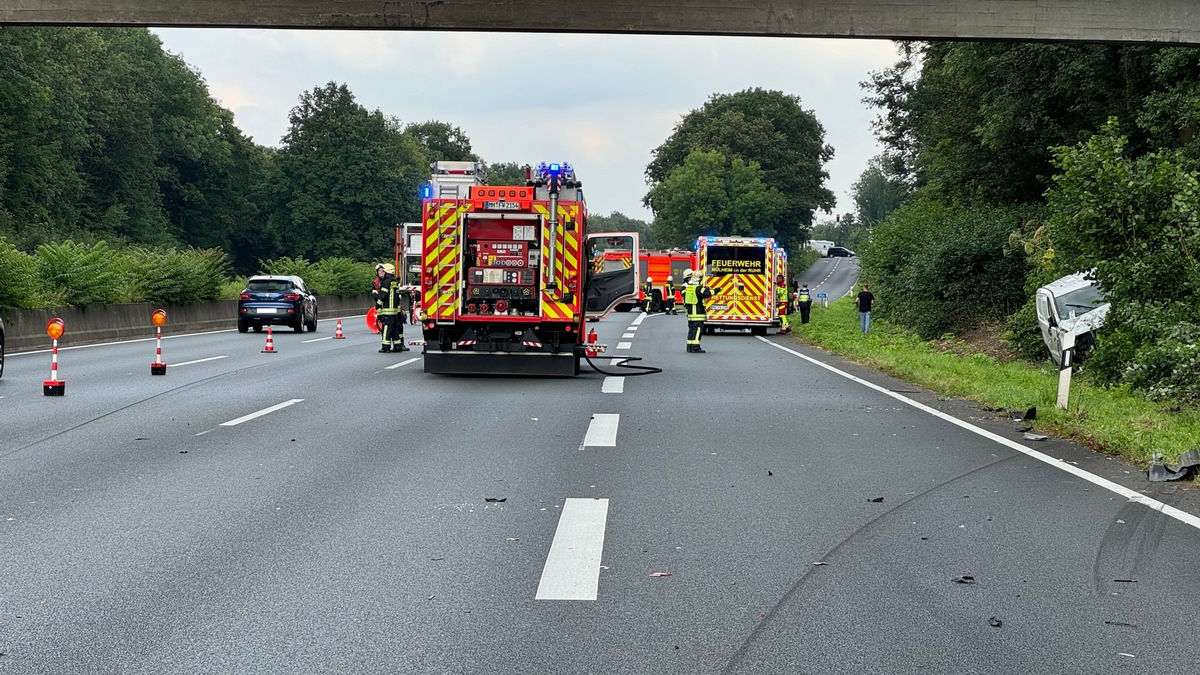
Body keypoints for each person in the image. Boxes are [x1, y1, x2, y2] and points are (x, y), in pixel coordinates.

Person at [375, 263, 409, 352]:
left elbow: (383, 295)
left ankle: (385, 347)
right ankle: (397, 346)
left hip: (387, 310)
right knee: (394, 329)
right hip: (395, 310)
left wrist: (378, 305)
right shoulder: (395, 281)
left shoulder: (386, 282)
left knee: (386, 328)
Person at [682, 268, 713, 353]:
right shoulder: (698, 288)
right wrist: (717, 290)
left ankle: (689, 347)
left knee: (691, 330)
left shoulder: (689, 288)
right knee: (697, 330)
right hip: (698, 314)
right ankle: (695, 347)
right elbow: (707, 294)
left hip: (690, 314)